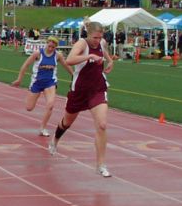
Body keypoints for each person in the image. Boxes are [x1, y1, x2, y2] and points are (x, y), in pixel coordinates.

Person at [48, 19, 114, 177]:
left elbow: (105, 52)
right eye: (95, 38)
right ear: (88, 34)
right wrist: (88, 56)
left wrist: (110, 61)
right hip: (79, 90)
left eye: (100, 38)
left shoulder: (102, 42)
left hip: (97, 88)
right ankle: (55, 140)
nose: (97, 41)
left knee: (102, 125)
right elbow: (69, 60)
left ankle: (101, 165)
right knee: (67, 122)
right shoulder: (82, 44)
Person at [11, 36, 73, 136]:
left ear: (55, 47)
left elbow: (66, 65)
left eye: (53, 47)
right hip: (37, 82)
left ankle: (43, 128)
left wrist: (74, 76)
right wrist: (19, 79)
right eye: (49, 46)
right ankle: (37, 94)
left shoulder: (58, 56)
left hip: (50, 83)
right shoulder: (38, 54)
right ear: (46, 44)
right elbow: (25, 65)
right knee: (29, 107)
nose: (50, 49)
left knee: (50, 105)